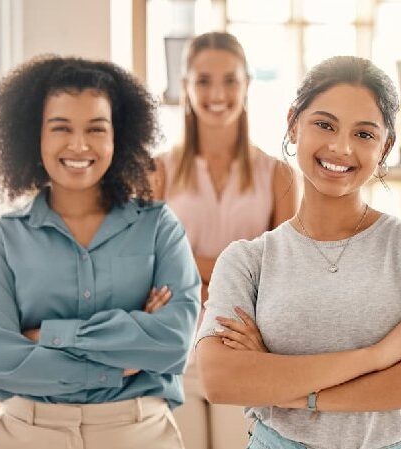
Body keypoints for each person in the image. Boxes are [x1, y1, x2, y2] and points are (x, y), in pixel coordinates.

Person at [195, 56, 401, 448]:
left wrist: (286, 385)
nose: (340, 147)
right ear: (294, 125)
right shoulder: (247, 260)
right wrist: (380, 355)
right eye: (324, 125)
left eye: (364, 134)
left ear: (385, 146)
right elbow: (221, 379)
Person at [0, 56, 200, 449]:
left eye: (96, 128)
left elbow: (174, 341)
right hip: (30, 434)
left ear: (118, 136)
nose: (79, 145)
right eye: (61, 128)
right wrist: (124, 356)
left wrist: (50, 336)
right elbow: (0, 363)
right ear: (34, 135)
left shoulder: (158, 227)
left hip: (139, 433)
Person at [151, 31, 298, 449]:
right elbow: (147, 265)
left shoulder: (279, 175)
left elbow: (283, 269)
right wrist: (238, 271)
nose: (217, 93)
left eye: (229, 80)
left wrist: (188, 269)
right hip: (173, 347)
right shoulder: (157, 172)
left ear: (247, 84)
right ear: (185, 87)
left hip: (244, 347)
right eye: (203, 81)